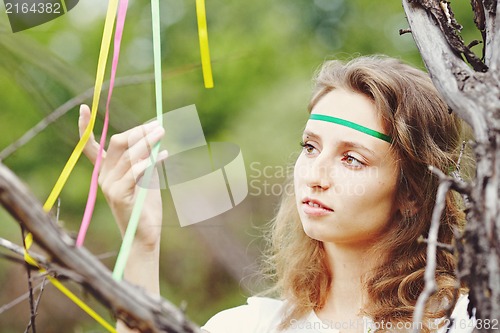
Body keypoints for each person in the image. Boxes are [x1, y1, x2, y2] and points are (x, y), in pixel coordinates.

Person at [78, 55, 475, 333]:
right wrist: (142, 242)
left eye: (352, 158)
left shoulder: (464, 322)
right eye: (310, 147)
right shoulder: (246, 327)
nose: (315, 175)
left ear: (414, 193)